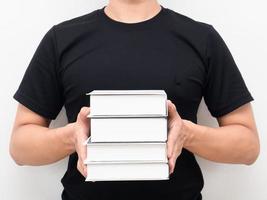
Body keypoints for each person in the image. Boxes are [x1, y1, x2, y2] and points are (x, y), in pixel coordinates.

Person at [10, 0, 260, 199]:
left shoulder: (202, 38)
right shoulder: (61, 39)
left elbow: (248, 147)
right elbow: (20, 148)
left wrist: (187, 134)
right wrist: (70, 136)